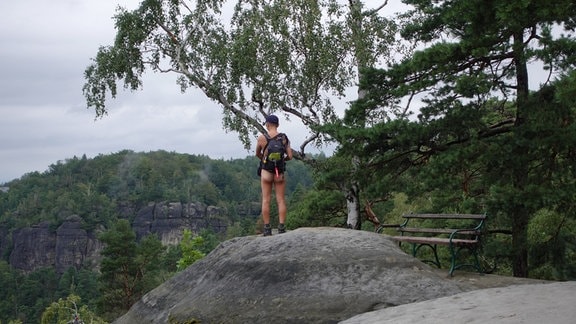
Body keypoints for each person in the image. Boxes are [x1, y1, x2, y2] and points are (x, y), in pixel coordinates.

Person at [256, 114, 293, 236]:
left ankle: (267, 228)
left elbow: (257, 154)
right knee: (281, 200)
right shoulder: (284, 138)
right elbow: (290, 156)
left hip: (266, 172)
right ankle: (281, 227)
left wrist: (265, 160)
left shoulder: (262, 138)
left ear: (267, 124)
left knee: (266, 200)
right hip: (279, 172)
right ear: (277, 125)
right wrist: (281, 161)